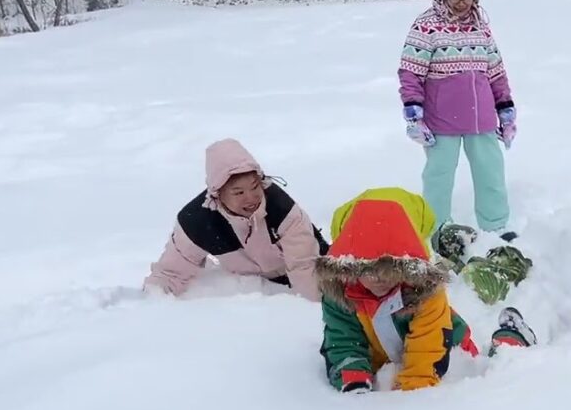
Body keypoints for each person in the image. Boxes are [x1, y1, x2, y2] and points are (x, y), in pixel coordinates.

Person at [315, 188, 536, 394]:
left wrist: (412, 390)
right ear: (351, 268)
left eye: (389, 270)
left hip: (446, 350)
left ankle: (510, 337)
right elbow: (343, 341)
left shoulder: (424, 292)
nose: (378, 279)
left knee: (487, 369)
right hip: (385, 360)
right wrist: (354, 379)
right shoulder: (341, 296)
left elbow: (428, 351)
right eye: (367, 270)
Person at [397, 0, 516, 237]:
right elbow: (411, 72)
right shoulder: (425, 27)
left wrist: (505, 109)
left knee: (491, 174)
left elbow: (496, 71)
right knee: (438, 176)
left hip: (481, 118)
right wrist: (414, 115)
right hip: (441, 121)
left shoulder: (481, 29)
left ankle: (496, 225)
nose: (462, 2)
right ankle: (436, 229)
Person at [145, 138, 327, 300]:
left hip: (310, 270)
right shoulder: (198, 222)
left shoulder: (281, 209)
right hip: (257, 286)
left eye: (255, 187)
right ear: (218, 194)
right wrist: (151, 303)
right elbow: (170, 273)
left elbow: (305, 266)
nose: (251, 198)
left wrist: (312, 309)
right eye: (238, 192)